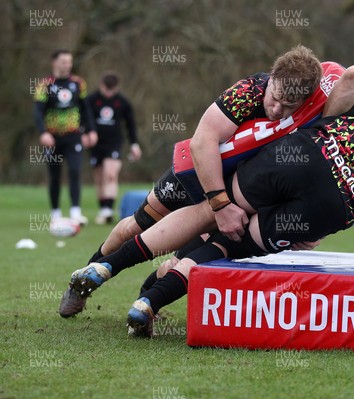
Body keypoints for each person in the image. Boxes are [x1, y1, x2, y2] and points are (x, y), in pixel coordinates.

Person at [70, 63, 354, 337]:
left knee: (210, 216)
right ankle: (147, 301)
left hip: (296, 157)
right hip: (310, 200)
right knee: (231, 242)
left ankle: (108, 270)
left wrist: (329, 130)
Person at [59, 45, 326, 317]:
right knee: (134, 228)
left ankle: (144, 305)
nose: (278, 109)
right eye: (276, 98)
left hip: (237, 192)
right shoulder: (247, 92)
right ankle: (83, 281)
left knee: (180, 260)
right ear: (272, 77)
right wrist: (220, 204)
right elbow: (202, 142)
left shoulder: (312, 107)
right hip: (196, 175)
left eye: (288, 106)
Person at [34, 49, 97, 225]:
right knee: (54, 175)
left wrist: (90, 130)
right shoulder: (44, 84)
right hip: (52, 138)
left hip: (73, 136)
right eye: (63, 61)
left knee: (75, 171)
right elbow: (38, 112)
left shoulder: (78, 83)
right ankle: (55, 213)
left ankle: (76, 212)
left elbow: (86, 109)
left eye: (69, 61)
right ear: (54, 63)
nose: (66, 65)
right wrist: (43, 132)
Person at [88, 72, 142, 224]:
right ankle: (103, 209)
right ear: (101, 86)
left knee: (110, 175)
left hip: (114, 143)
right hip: (96, 144)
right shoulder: (92, 100)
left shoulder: (122, 102)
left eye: (112, 90)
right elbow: (85, 119)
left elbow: (130, 125)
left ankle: (108, 210)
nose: (109, 93)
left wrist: (134, 145)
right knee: (99, 178)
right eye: (107, 90)